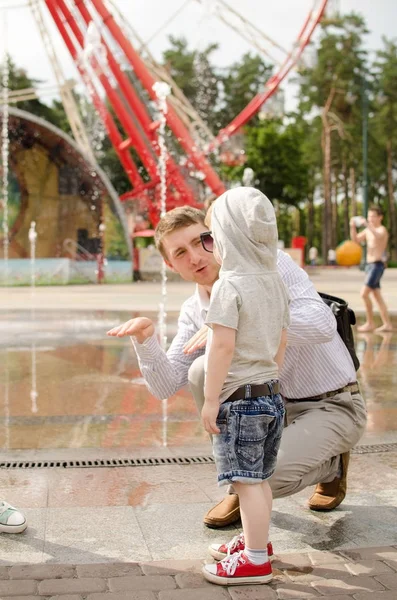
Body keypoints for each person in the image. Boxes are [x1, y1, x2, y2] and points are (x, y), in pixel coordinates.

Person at [107, 192, 367, 529]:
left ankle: (331, 465)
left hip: (331, 403)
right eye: (180, 253)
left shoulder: (271, 262)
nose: (195, 257)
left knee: (265, 480)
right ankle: (239, 479)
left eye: (201, 241)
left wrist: (239, 322)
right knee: (201, 371)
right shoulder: (195, 308)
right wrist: (145, 342)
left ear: (215, 236)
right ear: (170, 266)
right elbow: (166, 385)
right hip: (269, 410)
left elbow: (321, 324)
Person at [198, 189, 289, 584]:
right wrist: (269, 375)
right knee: (260, 480)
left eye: (212, 236)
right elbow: (282, 338)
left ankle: (254, 560)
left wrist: (209, 399)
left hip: (241, 401)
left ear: (227, 236)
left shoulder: (228, 285)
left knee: (245, 482)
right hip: (271, 394)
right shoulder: (274, 281)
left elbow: (222, 346)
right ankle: (259, 543)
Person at [350, 206, 393, 333]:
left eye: (373, 216)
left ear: (380, 217)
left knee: (364, 294)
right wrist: (352, 226)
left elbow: (378, 236)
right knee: (377, 296)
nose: (370, 219)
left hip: (377, 265)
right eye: (369, 217)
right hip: (369, 266)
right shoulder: (369, 231)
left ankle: (370, 323)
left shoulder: (381, 229)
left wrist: (367, 225)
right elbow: (356, 240)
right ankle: (387, 324)